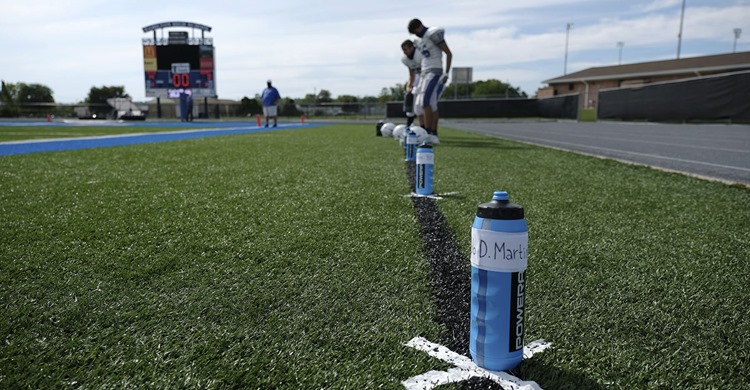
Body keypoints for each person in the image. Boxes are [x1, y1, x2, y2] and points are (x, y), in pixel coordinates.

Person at [408, 18, 452, 144]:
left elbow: (449, 53)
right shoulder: (419, 40)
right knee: (421, 106)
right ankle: (427, 133)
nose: (415, 34)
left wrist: (446, 73)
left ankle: (428, 133)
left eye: (415, 31)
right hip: (424, 72)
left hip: (434, 70)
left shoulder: (432, 34)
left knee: (426, 102)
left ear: (420, 26)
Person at [401, 39, 423, 127]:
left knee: (422, 105)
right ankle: (408, 126)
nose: (405, 52)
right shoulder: (405, 59)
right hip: (417, 78)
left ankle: (427, 129)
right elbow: (411, 73)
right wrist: (409, 85)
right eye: (403, 50)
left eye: (406, 49)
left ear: (412, 47)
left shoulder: (420, 55)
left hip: (427, 77)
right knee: (410, 100)